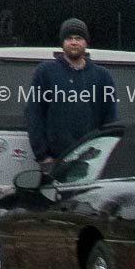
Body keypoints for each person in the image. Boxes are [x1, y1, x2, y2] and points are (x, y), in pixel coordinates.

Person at [27, 18, 117, 171]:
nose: (74, 42)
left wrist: (102, 152)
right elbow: (34, 114)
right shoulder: (45, 72)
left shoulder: (102, 76)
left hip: (91, 161)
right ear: (62, 43)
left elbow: (109, 118)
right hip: (55, 160)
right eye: (69, 38)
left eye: (78, 38)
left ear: (86, 42)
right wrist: (42, 155)